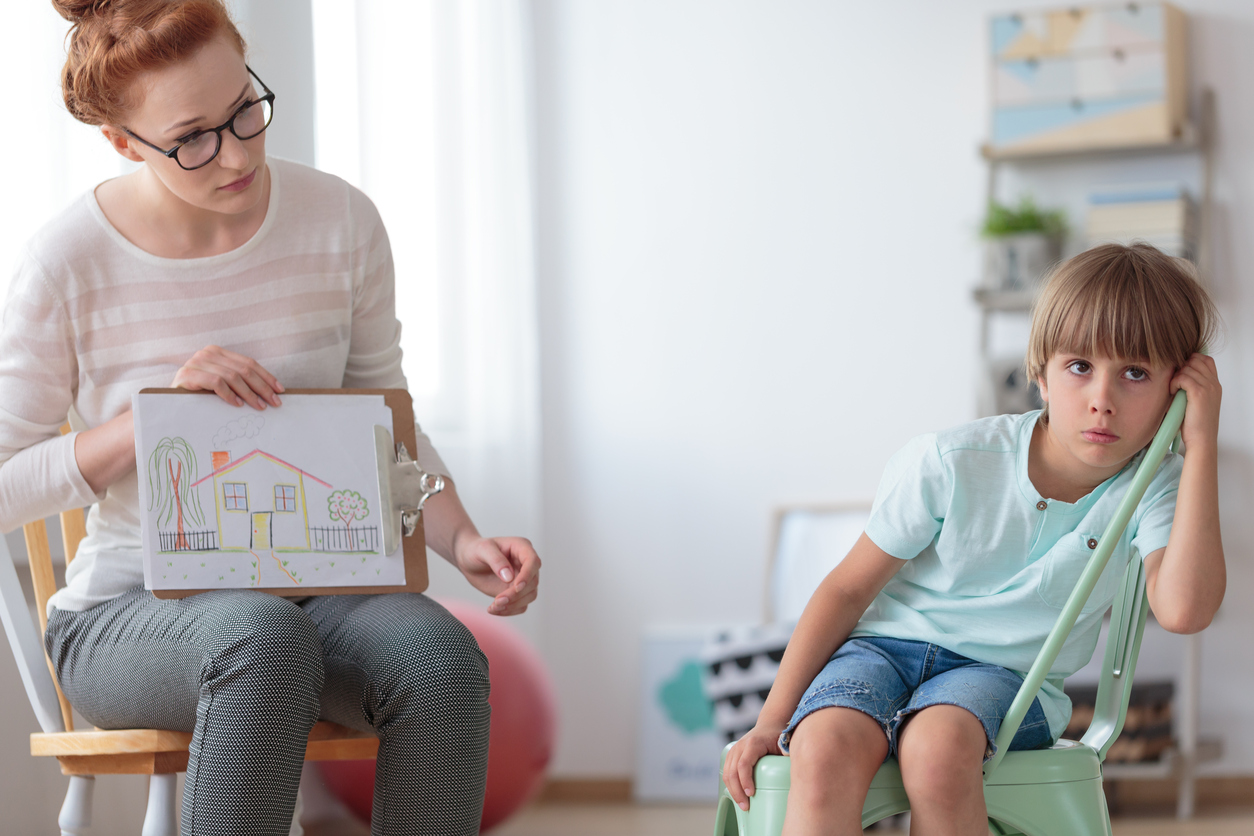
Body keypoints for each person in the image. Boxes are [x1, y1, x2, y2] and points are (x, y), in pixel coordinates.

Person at [0, 2, 540, 834]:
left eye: (244, 109)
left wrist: (461, 537)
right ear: (122, 143)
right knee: (259, 641)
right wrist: (153, 421)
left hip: (315, 594)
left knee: (438, 659)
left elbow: (383, 418)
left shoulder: (341, 222)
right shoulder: (66, 263)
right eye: (193, 139)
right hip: (126, 616)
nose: (238, 152)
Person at [722, 243, 1224, 835]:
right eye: (1079, 367)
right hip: (884, 648)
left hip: (1008, 679)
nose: (1102, 400)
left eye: (1135, 373)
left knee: (936, 751)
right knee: (822, 745)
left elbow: (1186, 610)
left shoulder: (1155, 488)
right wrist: (770, 719)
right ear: (1039, 372)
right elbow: (846, 591)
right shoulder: (952, 460)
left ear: (1177, 391)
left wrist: (1202, 443)